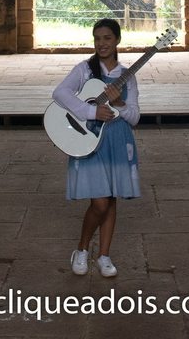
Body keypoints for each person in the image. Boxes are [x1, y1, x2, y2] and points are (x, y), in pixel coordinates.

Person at [52, 18, 141, 278]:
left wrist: (120, 105)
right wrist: (91, 110)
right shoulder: (85, 69)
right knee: (100, 203)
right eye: (97, 38)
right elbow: (60, 93)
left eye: (107, 38)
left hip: (117, 139)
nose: (102, 43)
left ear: (117, 41)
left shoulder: (127, 76)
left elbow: (135, 117)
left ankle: (104, 255)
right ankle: (81, 248)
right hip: (90, 139)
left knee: (111, 200)